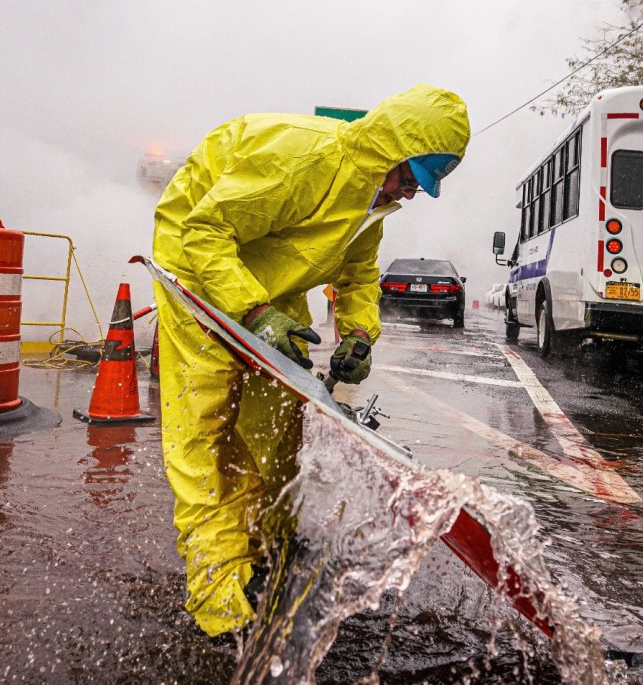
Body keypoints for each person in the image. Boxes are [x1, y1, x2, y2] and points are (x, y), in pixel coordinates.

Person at [150, 83, 470, 637]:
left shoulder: (375, 200)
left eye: (421, 185)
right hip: (200, 276)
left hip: (271, 283)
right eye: (409, 177)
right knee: (207, 439)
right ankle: (221, 607)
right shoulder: (307, 160)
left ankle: (266, 547)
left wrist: (360, 334)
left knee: (276, 429)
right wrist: (251, 310)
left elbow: (358, 276)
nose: (411, 193)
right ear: (389, 150)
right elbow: (203, 232)